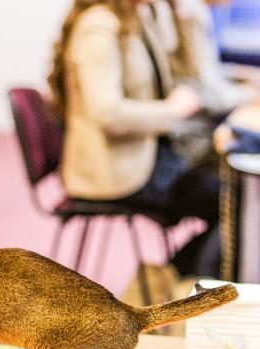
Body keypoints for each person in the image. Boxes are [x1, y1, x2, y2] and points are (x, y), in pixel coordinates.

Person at [48, 0, 221, 278]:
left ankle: (178, 279)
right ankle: (186, 286)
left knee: (232, 190)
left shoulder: (139, 15)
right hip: (119, 170)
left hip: (149, 154)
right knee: (231, 200)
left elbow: (185, 70)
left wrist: (183, 13)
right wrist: (172, 110)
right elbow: (107, 114)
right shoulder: (99, 26)